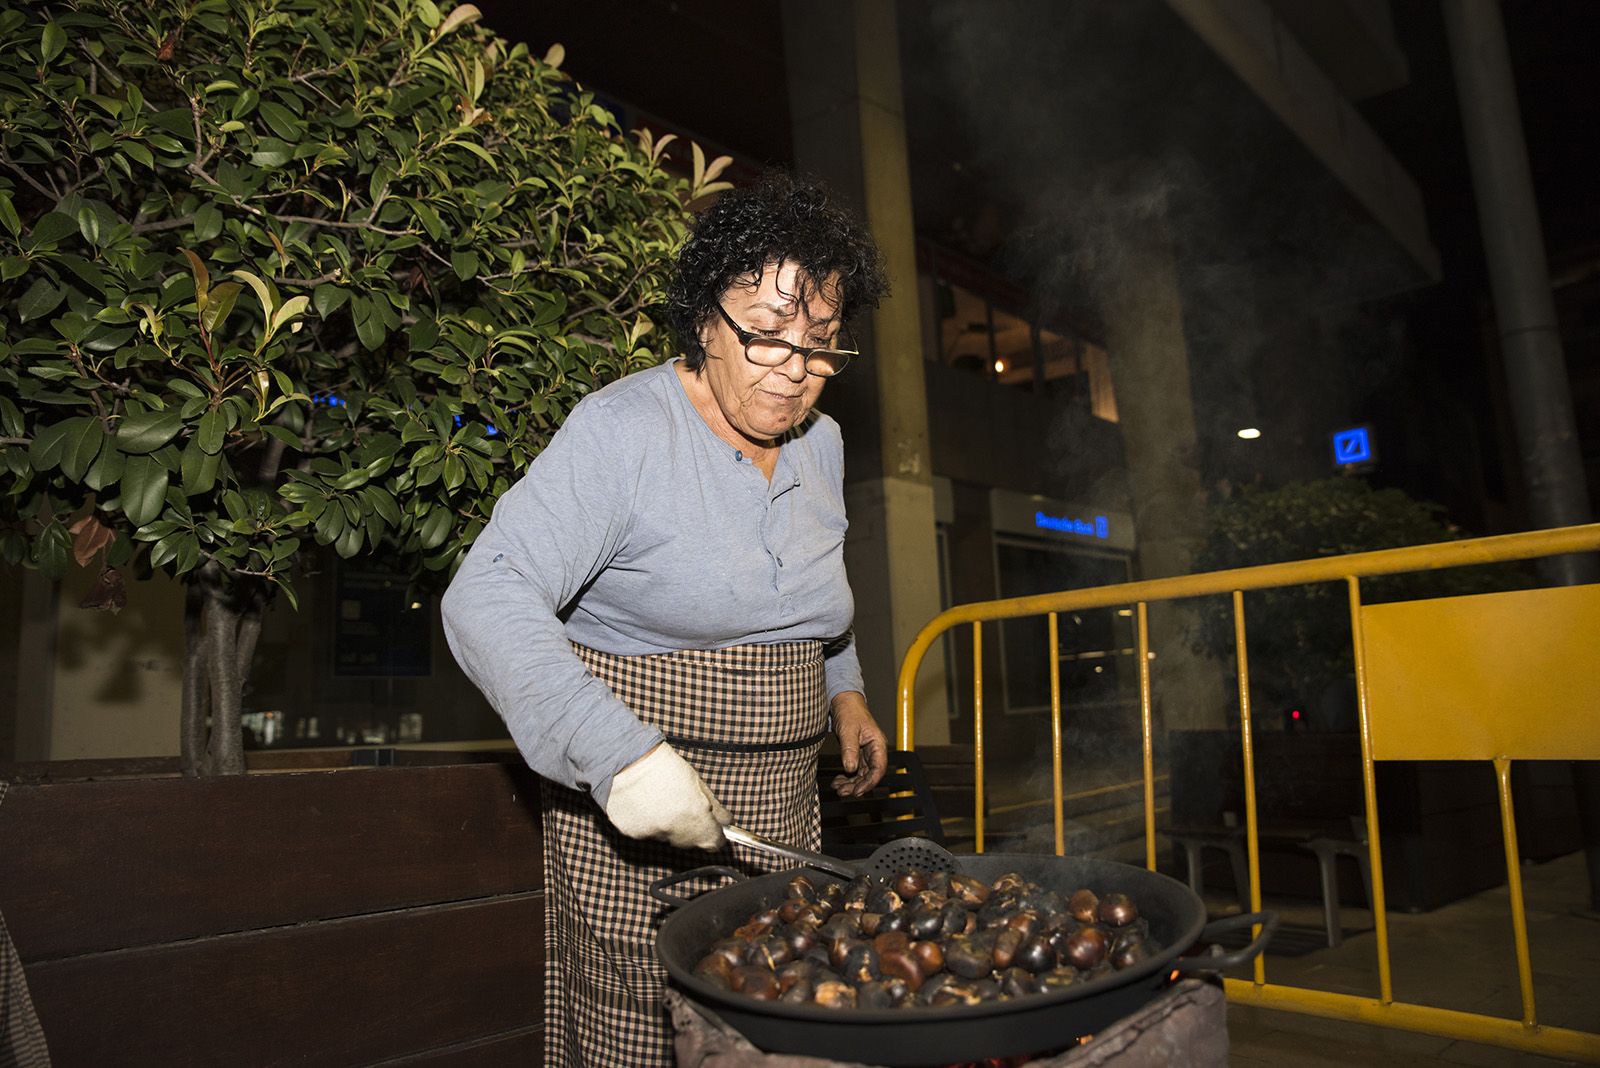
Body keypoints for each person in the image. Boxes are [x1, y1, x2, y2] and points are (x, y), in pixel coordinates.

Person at [441, 172, 891, 1066]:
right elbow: (485, 593)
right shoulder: (622, 432)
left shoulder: (824, 445)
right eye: (765, 334)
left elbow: (817, 593)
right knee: (645, 1031)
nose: (794, 372)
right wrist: (618, 757)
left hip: (782, 812)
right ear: (702, 321)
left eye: (822, 345)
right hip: (641, 815)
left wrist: (846, 689)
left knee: (777, 1018)